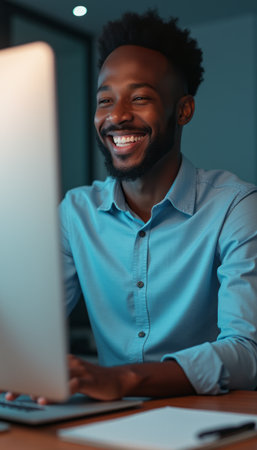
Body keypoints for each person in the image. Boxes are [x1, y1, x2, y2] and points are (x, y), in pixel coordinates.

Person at [8, 9, 257, 403]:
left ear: (184, 110)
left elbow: (248, 352)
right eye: (105, 100)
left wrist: (125, 379)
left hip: (213, 420)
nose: (117, 116)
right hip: (106, 419)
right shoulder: (75, 214)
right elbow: (21, 334)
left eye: (140, 98)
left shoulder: (235, 207)